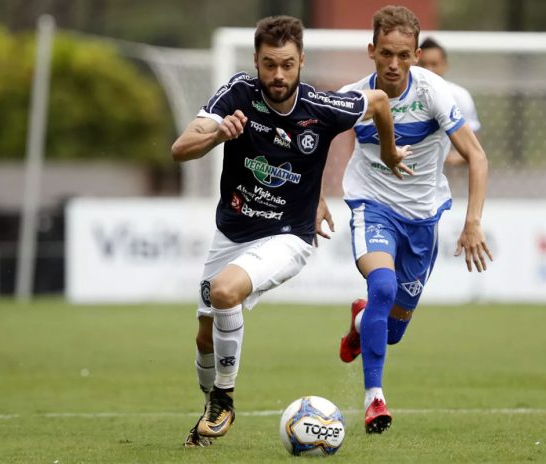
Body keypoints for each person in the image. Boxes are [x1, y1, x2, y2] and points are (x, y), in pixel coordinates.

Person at [171, 15, 411, 447]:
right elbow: (180, 148)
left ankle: (223, 400)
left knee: (226, 293)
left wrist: (390, 154)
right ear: (256, 61)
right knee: (205, 334)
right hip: (231, 231)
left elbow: (377, 102)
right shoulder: (238, 94)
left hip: (289, 236)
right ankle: (210, 405)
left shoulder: (322, 108)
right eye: (268, 64)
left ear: (301, 60)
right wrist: (217, 135)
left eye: (286, 64)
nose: (277, 75)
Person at [336, 5, 493, 434]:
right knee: (382, 286)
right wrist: (312, 201)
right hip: (372, 206)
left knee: (390, 332)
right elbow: (314, 144)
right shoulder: (354, 97)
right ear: (371, 50)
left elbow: (476, 157)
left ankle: (358, 322)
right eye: (386, 53)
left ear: (417, 54)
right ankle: (374, 400)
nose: (393, 64)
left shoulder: (434, 93)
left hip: (423, 218)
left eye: (403, 55)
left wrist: (473, 221)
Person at [418, 37, 482, 166]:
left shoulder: (460, 97)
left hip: (450, 177)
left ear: (445, 65)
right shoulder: (402, 96)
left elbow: (475, 148)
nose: (429, 70)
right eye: (423, 64)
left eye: (434, 64)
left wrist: (447, 159)